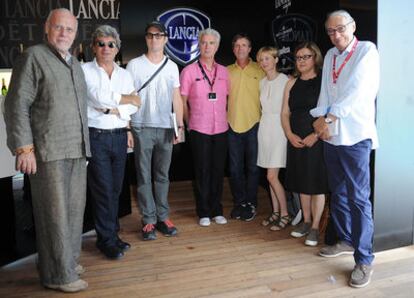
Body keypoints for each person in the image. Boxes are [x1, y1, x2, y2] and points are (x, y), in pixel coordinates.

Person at [4, 8, 90, 293]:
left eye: (69, 29)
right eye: (59, 27)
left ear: (75, 34)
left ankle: (65, 262)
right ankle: (58, 276)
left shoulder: (74, 63)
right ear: (47, 28)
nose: (64, 33)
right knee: (54, 215)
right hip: (48, 151)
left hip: (76, 149)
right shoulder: (33, 57)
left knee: (74, 212)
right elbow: (16, 104)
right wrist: (23, 148)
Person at [311, 10, 380, 288]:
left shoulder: (366, 50)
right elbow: (327, 91)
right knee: (337, 192)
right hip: (332, 135)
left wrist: (327, 118)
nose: (335, 35)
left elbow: (357, 90)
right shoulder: (329, 55)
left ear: (352, 27)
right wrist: (322, 119)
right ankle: (345, 239)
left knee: (359, 198)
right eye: (330, 31)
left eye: (340, 29)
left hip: (356, 137)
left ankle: (364, 259)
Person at [82, 25, 141, 259]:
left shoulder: (125, 74)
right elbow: (98, 98)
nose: (106, 48)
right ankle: (105, 240)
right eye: (101, 44)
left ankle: (113, 235)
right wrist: (120, 102)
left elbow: (135, 105)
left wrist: (115, 108)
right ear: (93, 47)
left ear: (117, 48)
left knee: (115, 190)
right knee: (103, 190)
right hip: (96, 136)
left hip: (118, 136)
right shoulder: (84, 70)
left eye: (111, 44)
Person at [127, 21, 184, 240]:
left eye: (159, 35)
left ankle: (163, 216)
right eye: (150, 35)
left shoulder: (172, 66)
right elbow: (128, 97)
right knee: (143, 175)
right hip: (141, 126)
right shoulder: (134, 65)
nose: (154, 39)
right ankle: (148, 220)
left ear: (165, 39)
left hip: (165, 128)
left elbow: (176, 98)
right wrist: (128, 129)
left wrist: (179, 126)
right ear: (146, 38)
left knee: (162, 175)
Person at [180, 28, 229, 227]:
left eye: (211, 43)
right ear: (198, 45)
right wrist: (188, 125)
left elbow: (228, 98)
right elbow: (182, 101)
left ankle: (217, 209)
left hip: (221, 129)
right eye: (204, 43)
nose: (207, 46)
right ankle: (204, 211)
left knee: (218, 171)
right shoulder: (189, 71)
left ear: (217, 46)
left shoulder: (224, 72)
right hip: (199, 128)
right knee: (202, 171)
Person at [281, 42, 329, 246]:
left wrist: (315, 135)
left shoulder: (323, 82)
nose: (301, 61)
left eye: (306, 57)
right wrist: (289, 134)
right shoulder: (291, 83)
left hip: (316, 139)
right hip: (296, 139)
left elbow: (328, 112)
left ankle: (316, 227)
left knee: (316, 183)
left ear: (315, 58)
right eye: (298, 57)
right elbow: (285, 113)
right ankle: (306, 222)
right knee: (302, 181)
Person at [227, 33, 264, 221]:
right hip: (232, 125)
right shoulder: (226, 71)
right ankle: (239, 203)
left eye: (244, 45)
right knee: (234, 169)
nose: (240, 48)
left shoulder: (261, 69)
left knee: (253, 168)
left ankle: (251, 204)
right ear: (233, 49)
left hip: (254, 125)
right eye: (237, 45)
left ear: (250, 49)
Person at [255, 46, 290, 231]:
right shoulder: (261, 83)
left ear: (276, 60)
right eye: (261, 59)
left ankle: (285, 213)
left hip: (279, 128)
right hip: (265, 127)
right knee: (269, 177)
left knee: (272, 175)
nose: (264, 62)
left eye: (267, 58)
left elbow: (287, 109)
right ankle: (275, 212)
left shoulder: (285, 81)